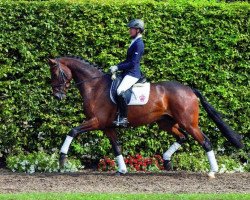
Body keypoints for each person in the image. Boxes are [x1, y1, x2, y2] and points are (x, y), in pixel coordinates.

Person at [110, 19, 145, 127]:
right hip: (127, 72)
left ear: (138, 30)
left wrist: (118, 67)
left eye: (132, 29)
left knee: (120, 90)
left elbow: (133, 63)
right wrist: (116, 66)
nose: (130, 30)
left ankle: (123, 118)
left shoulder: (139, 44)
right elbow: (127, 60)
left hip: (133, 73)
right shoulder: (134, 41)